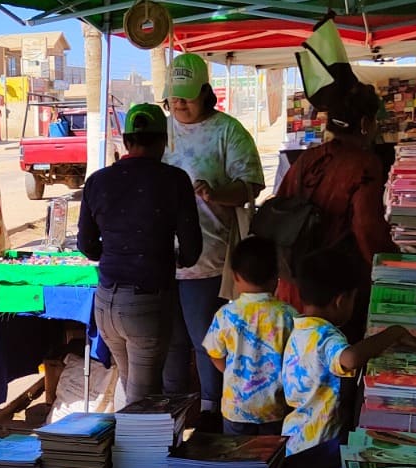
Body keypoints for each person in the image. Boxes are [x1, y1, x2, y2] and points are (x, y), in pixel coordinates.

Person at [162, 52, 265, 430]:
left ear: (207, 93)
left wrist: (216, 194)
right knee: (171, 340)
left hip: (209, 256)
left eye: (187, 96)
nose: (179, 104)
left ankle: (211, 412)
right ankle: (172, 412)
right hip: (162, 259)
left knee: (207, 340)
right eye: (173, 97)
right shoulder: (163, 129)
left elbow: (251, 184)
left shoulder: (228, 131)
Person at [78, 103, 202, 405]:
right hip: (147, 302)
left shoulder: (97, 181)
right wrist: (170, 258)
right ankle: (136, 450)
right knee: (142, 399)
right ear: (163, 142)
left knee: (130, 383)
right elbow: (191, 250)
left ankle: (130, 446)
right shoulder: (175, 180)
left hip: (106, 302)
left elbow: (87, 245)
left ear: (126, 142)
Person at [279, 245, 415, 468]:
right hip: (318, 444)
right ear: (341, 300)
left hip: (295, 435)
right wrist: (392, 333)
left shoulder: (300, 329)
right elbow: (350, 358)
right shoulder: (326, 335)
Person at [273, 80, 397, 326]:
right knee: (332, 358)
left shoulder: (308, 158)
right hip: (332, 293)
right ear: (364, 124)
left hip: (293, 283)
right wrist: (395, 263)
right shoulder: (364, 165)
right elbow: (367, 229)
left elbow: (278, 206)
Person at [202, 235, 292, 435]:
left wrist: (232, 371)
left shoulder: (226, 315)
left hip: (236, 406)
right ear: (276, 276)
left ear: (235, 277)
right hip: (275, 406)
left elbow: (214, 353)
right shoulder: (288, 315)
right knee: (271, 461)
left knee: (236, 459)